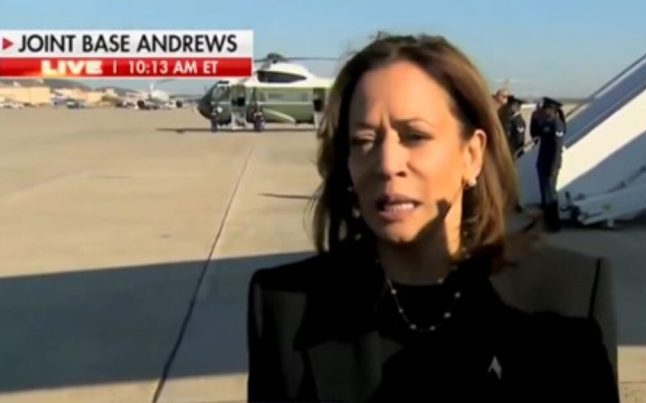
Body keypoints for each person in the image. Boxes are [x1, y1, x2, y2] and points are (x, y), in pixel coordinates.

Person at [247, 34, 618, 402]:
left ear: (471, 156)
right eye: (363, 141)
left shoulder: (569, 298)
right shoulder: (285, 306)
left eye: (415, 136)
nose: (387, 164)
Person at [531, 97, 566, 232]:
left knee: (551, 194)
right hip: (542, 162)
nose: (545, 111)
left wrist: (553, 167)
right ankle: (547, 221)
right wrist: (534, 118)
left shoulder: (557, 125)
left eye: (547, 109)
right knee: (545, 193)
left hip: (551, 164)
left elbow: (557, 148)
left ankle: (554, 224)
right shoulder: (546, 123)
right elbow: (535, 133)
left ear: (553, 110)